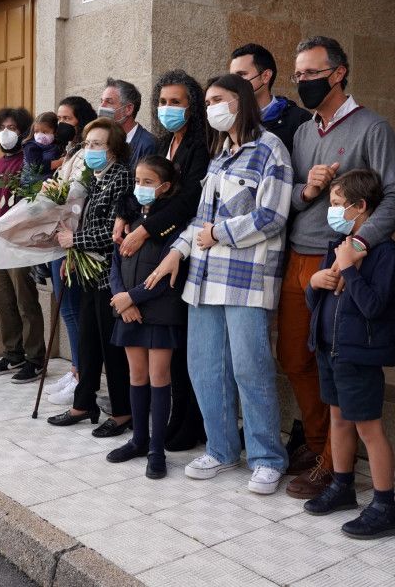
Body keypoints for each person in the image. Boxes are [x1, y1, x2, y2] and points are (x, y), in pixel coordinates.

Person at [145, 74, 292, 495]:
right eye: (207, 101)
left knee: (251, 368)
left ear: (241, 101)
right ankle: (222, 448)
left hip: (246, 280)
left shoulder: (270, 150)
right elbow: (199, 219)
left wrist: (219, 235)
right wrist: (179, 249)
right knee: (204, 368)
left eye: (218, 99)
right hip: (204, 280)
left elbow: (272, 216)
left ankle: (266, 458)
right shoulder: (220, 155)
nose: (210, 107)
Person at [280, 36, 395, 501]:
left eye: (311, 74)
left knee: (332, 361)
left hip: (340, 262)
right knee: (296, 359)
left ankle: (332, 466)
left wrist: (355, 246)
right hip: (299, 257)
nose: (302, 83)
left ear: (338, 73)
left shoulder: (372, 127)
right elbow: (291, 197)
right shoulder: (300, 132)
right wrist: (308, 192)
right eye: (297, 75)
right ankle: (323, 450)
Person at [301, 169, 395, 540]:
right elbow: (321, 302)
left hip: (359, 354)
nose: (331, 211)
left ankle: (384, 505)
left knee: (369, 428)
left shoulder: (385, 253)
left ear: (361, 207)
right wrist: (315, 284)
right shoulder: (336, 245)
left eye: (336, 205)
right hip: (332, 351)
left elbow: (375, 306)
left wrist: (349, 268)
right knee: (339, 420)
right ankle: (342, 486)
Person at [113, 69, 211, 451]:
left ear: (193, 106)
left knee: (177, 352)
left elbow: (187, 201)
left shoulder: (199, 146)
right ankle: (157, 430)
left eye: (177, 102)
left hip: (177, 249)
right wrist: (125, 215)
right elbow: (140, 183)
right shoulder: (166, 142)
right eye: (164, 102)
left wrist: (146, 230)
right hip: (149, 251)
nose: (168, 108)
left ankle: (188, 423)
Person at [46, 117, 133, 437]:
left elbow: (111, 231)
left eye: (98, 144)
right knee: (88, 342)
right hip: (87, 274)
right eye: (88, 144)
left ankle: (123, 411)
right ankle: (84, 403)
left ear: (114, 148)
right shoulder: (95, 178)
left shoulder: (121, 177)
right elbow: (83, 222)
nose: (91, 150)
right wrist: (72, 254)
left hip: (109, 276)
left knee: (112, 348)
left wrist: (75, 242)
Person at [106, 155, 186, 479]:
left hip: (160, 311)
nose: (141, 187)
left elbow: (165, 274)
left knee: (158, 377)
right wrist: (122, 301)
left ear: (165, 187)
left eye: (148, 182)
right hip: (129, 311)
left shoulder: (170, 224)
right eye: (138, 181)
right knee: (136, 375)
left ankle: (156, 449)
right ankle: (138, 440)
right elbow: (114, 262)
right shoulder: (129, 220)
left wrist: (133, 297)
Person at [0, 107, 45, 383]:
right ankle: (12, 351)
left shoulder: (29, 164)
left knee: (25, 302)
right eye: (3, 128)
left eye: (14, 128)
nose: (7, 133)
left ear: (24, 132)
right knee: (3, 302)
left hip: (21, 245)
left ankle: (35, 358)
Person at [43, 97, 97, 404]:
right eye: (59, 117)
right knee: (66, 310)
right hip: (58, 237)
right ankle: (76, 369)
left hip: (73, 240)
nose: (62, 123)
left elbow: (77, 195)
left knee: (74, 311)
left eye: (68, 118)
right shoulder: (68, 151)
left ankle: (81, 375)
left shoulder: (87, 154)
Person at [229, 43, 310, 149]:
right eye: (232, 77)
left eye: (242, 74)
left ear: (266, 76)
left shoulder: (299, 120)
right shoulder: (229, 120)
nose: (233, 82)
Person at [99, 78, 156, 163]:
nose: (102, 106)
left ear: (128, 109)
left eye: (109, 102)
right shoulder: (103, 140)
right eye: (101, 101)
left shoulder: (148, 144)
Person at [22, 111, 61, 185]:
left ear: (55, 132)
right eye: (36, 132)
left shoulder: (56, 145)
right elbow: (37, 167)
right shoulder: (30, 147)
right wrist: (60, 162)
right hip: (31, 186)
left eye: (45, 132)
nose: (40, 135)